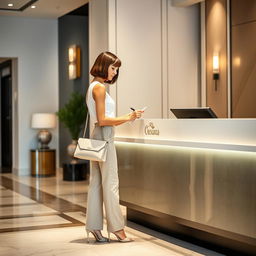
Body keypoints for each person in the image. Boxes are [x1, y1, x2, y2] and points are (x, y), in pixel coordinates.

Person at [85, 52, 144, 243]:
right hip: (105, 136)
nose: (115, 72)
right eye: (113, 68)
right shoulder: (100, 89)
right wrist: (129, 117)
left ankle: (94, 227)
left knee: (96, 184)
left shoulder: (92, 86)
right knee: (111, 184)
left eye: (116, 69)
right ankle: (117, 229)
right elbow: (103, 120)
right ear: (103, 66)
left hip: (95, 137)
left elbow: (98, 120)